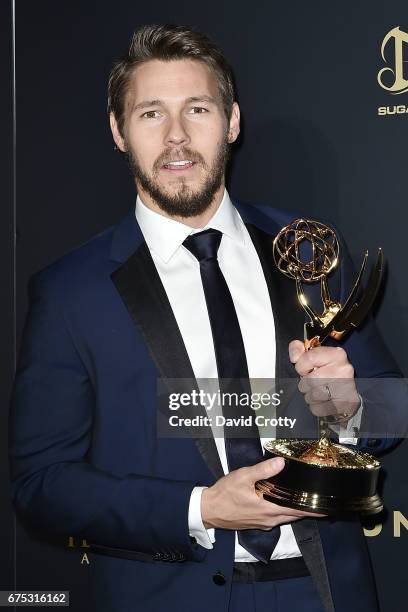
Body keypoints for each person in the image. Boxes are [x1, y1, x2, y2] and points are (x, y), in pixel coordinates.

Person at [9, 24, 406, 612]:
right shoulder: (69, 293)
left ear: (233, 122)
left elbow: (388, 411)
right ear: (119, 131)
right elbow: (42, 487)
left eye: (197, 109)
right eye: (150, 114)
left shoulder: (308, 252)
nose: (176, 137)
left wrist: (347, 408)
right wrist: (201, 508)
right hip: (166, 594)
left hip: (325, 591)